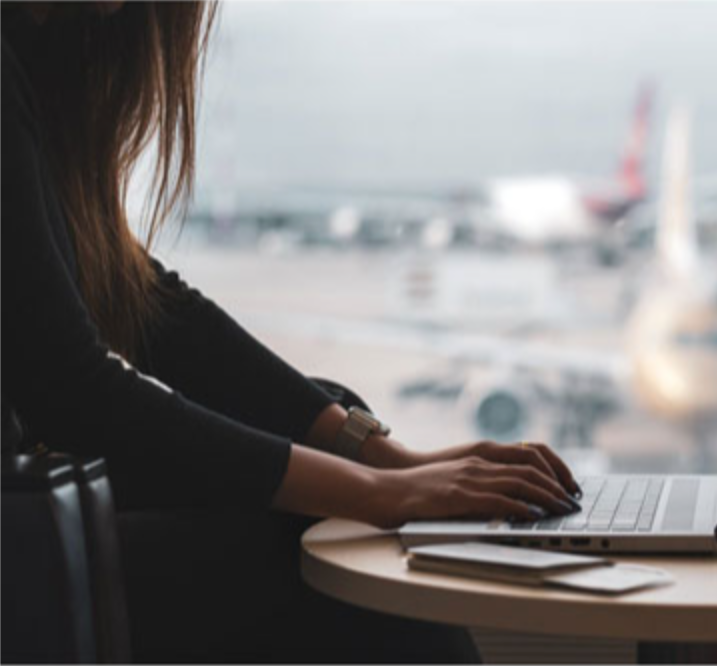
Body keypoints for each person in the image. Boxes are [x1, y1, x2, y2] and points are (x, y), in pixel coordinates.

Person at [1, 3, 581, 662]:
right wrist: (379, 492)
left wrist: (381, 456)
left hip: (34, 531)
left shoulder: (29, 55)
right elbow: (77, 393)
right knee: (349, 577)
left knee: (332, 436)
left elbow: (146, 304)